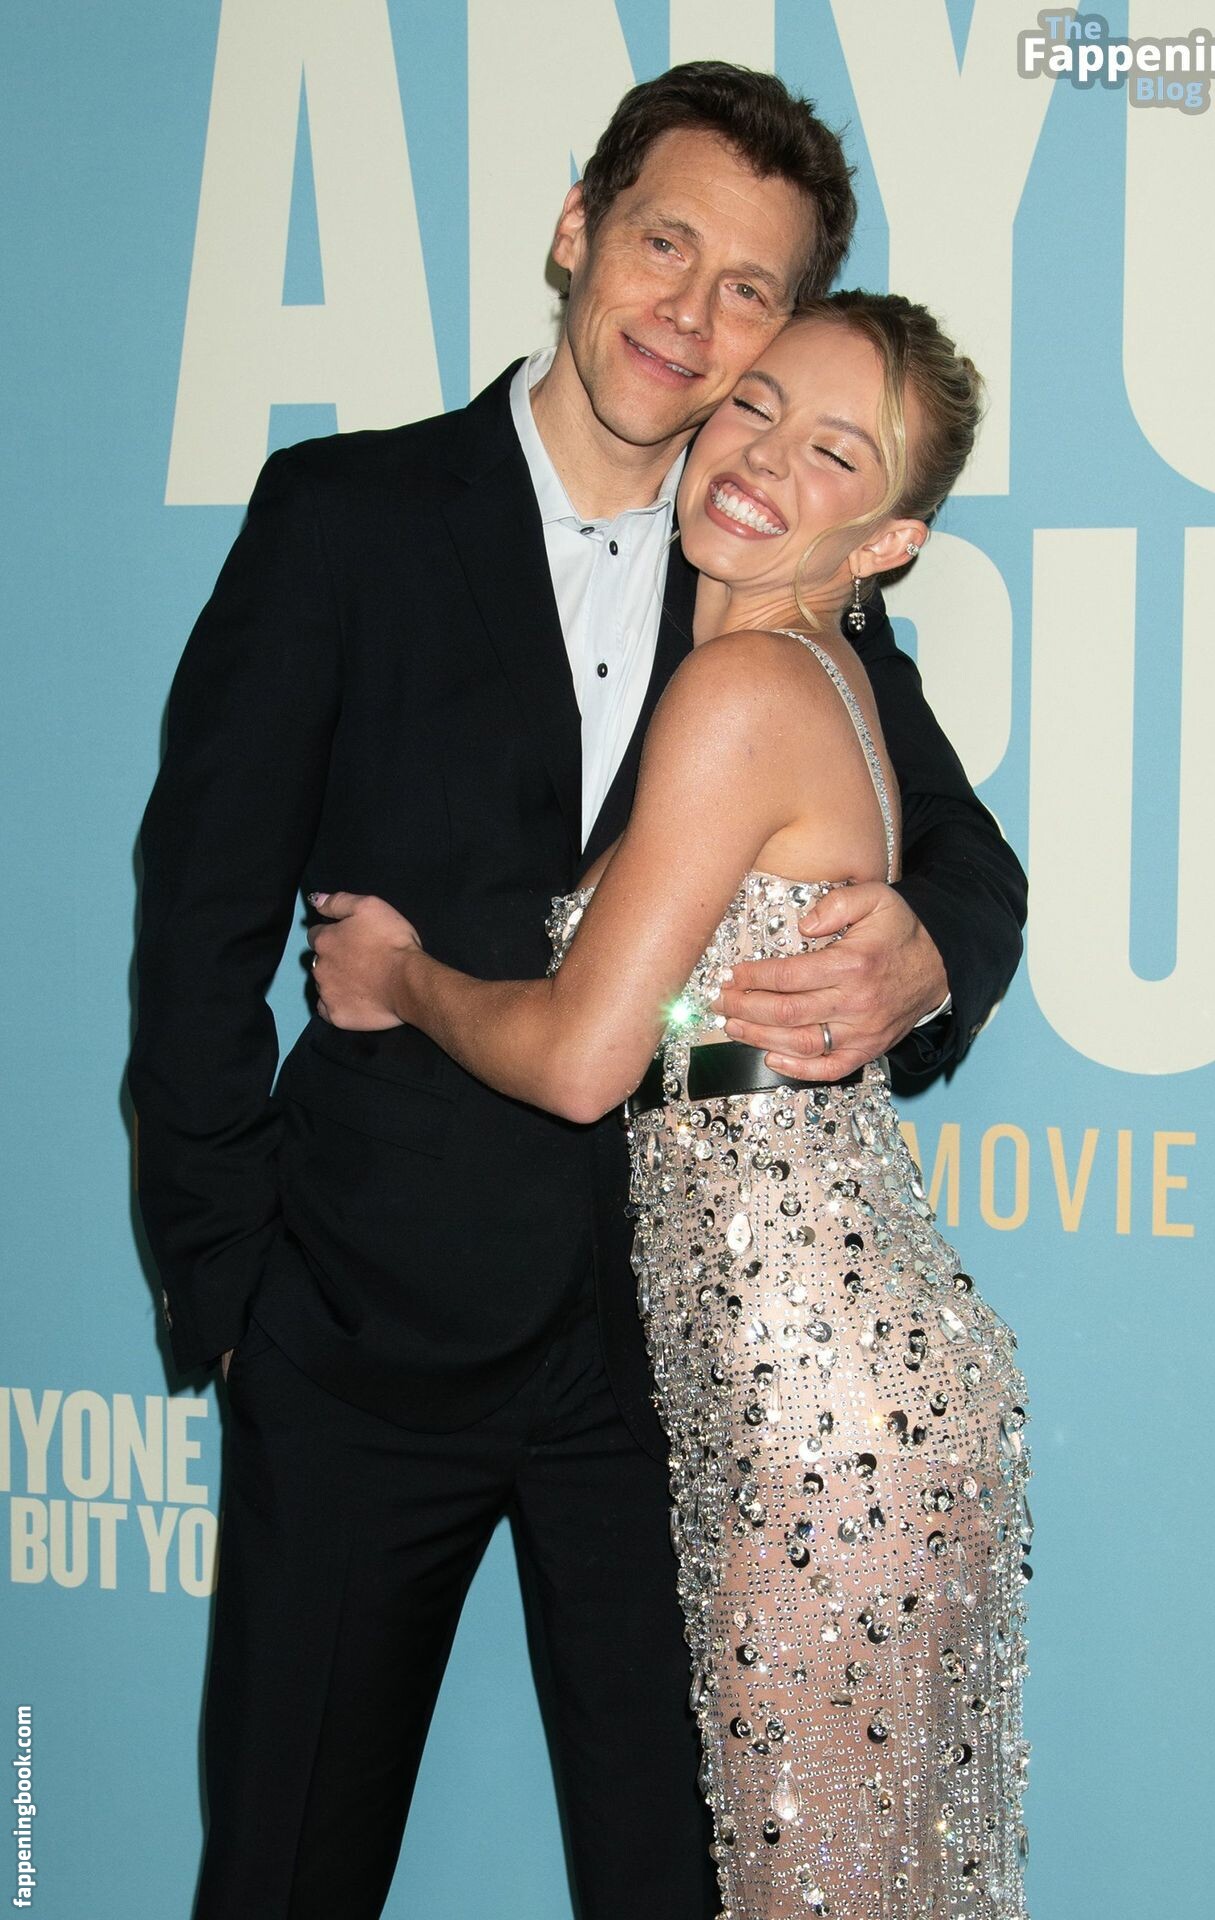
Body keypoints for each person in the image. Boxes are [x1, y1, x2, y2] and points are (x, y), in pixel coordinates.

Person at [128, 62, 1027, 1920]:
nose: (691, 313)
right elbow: (198, 913)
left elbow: (964, 856)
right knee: (286, 1876)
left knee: (686, 1887)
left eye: (749, 288)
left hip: (666, 1383)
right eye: (664, 243)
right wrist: (237, 1296)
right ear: (575, 232)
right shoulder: (347, 515)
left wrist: (932, 951)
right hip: (360, 1343)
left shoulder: (790, 571)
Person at [311, 290, 1033, 1920]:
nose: (765, 459)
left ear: (890, 542)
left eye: (834, 452)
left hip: (814, 1410)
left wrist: (401, 976)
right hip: (822, 1381)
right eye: (758, 405)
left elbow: (584, 1060)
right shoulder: (809, 674)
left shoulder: (743, 689)